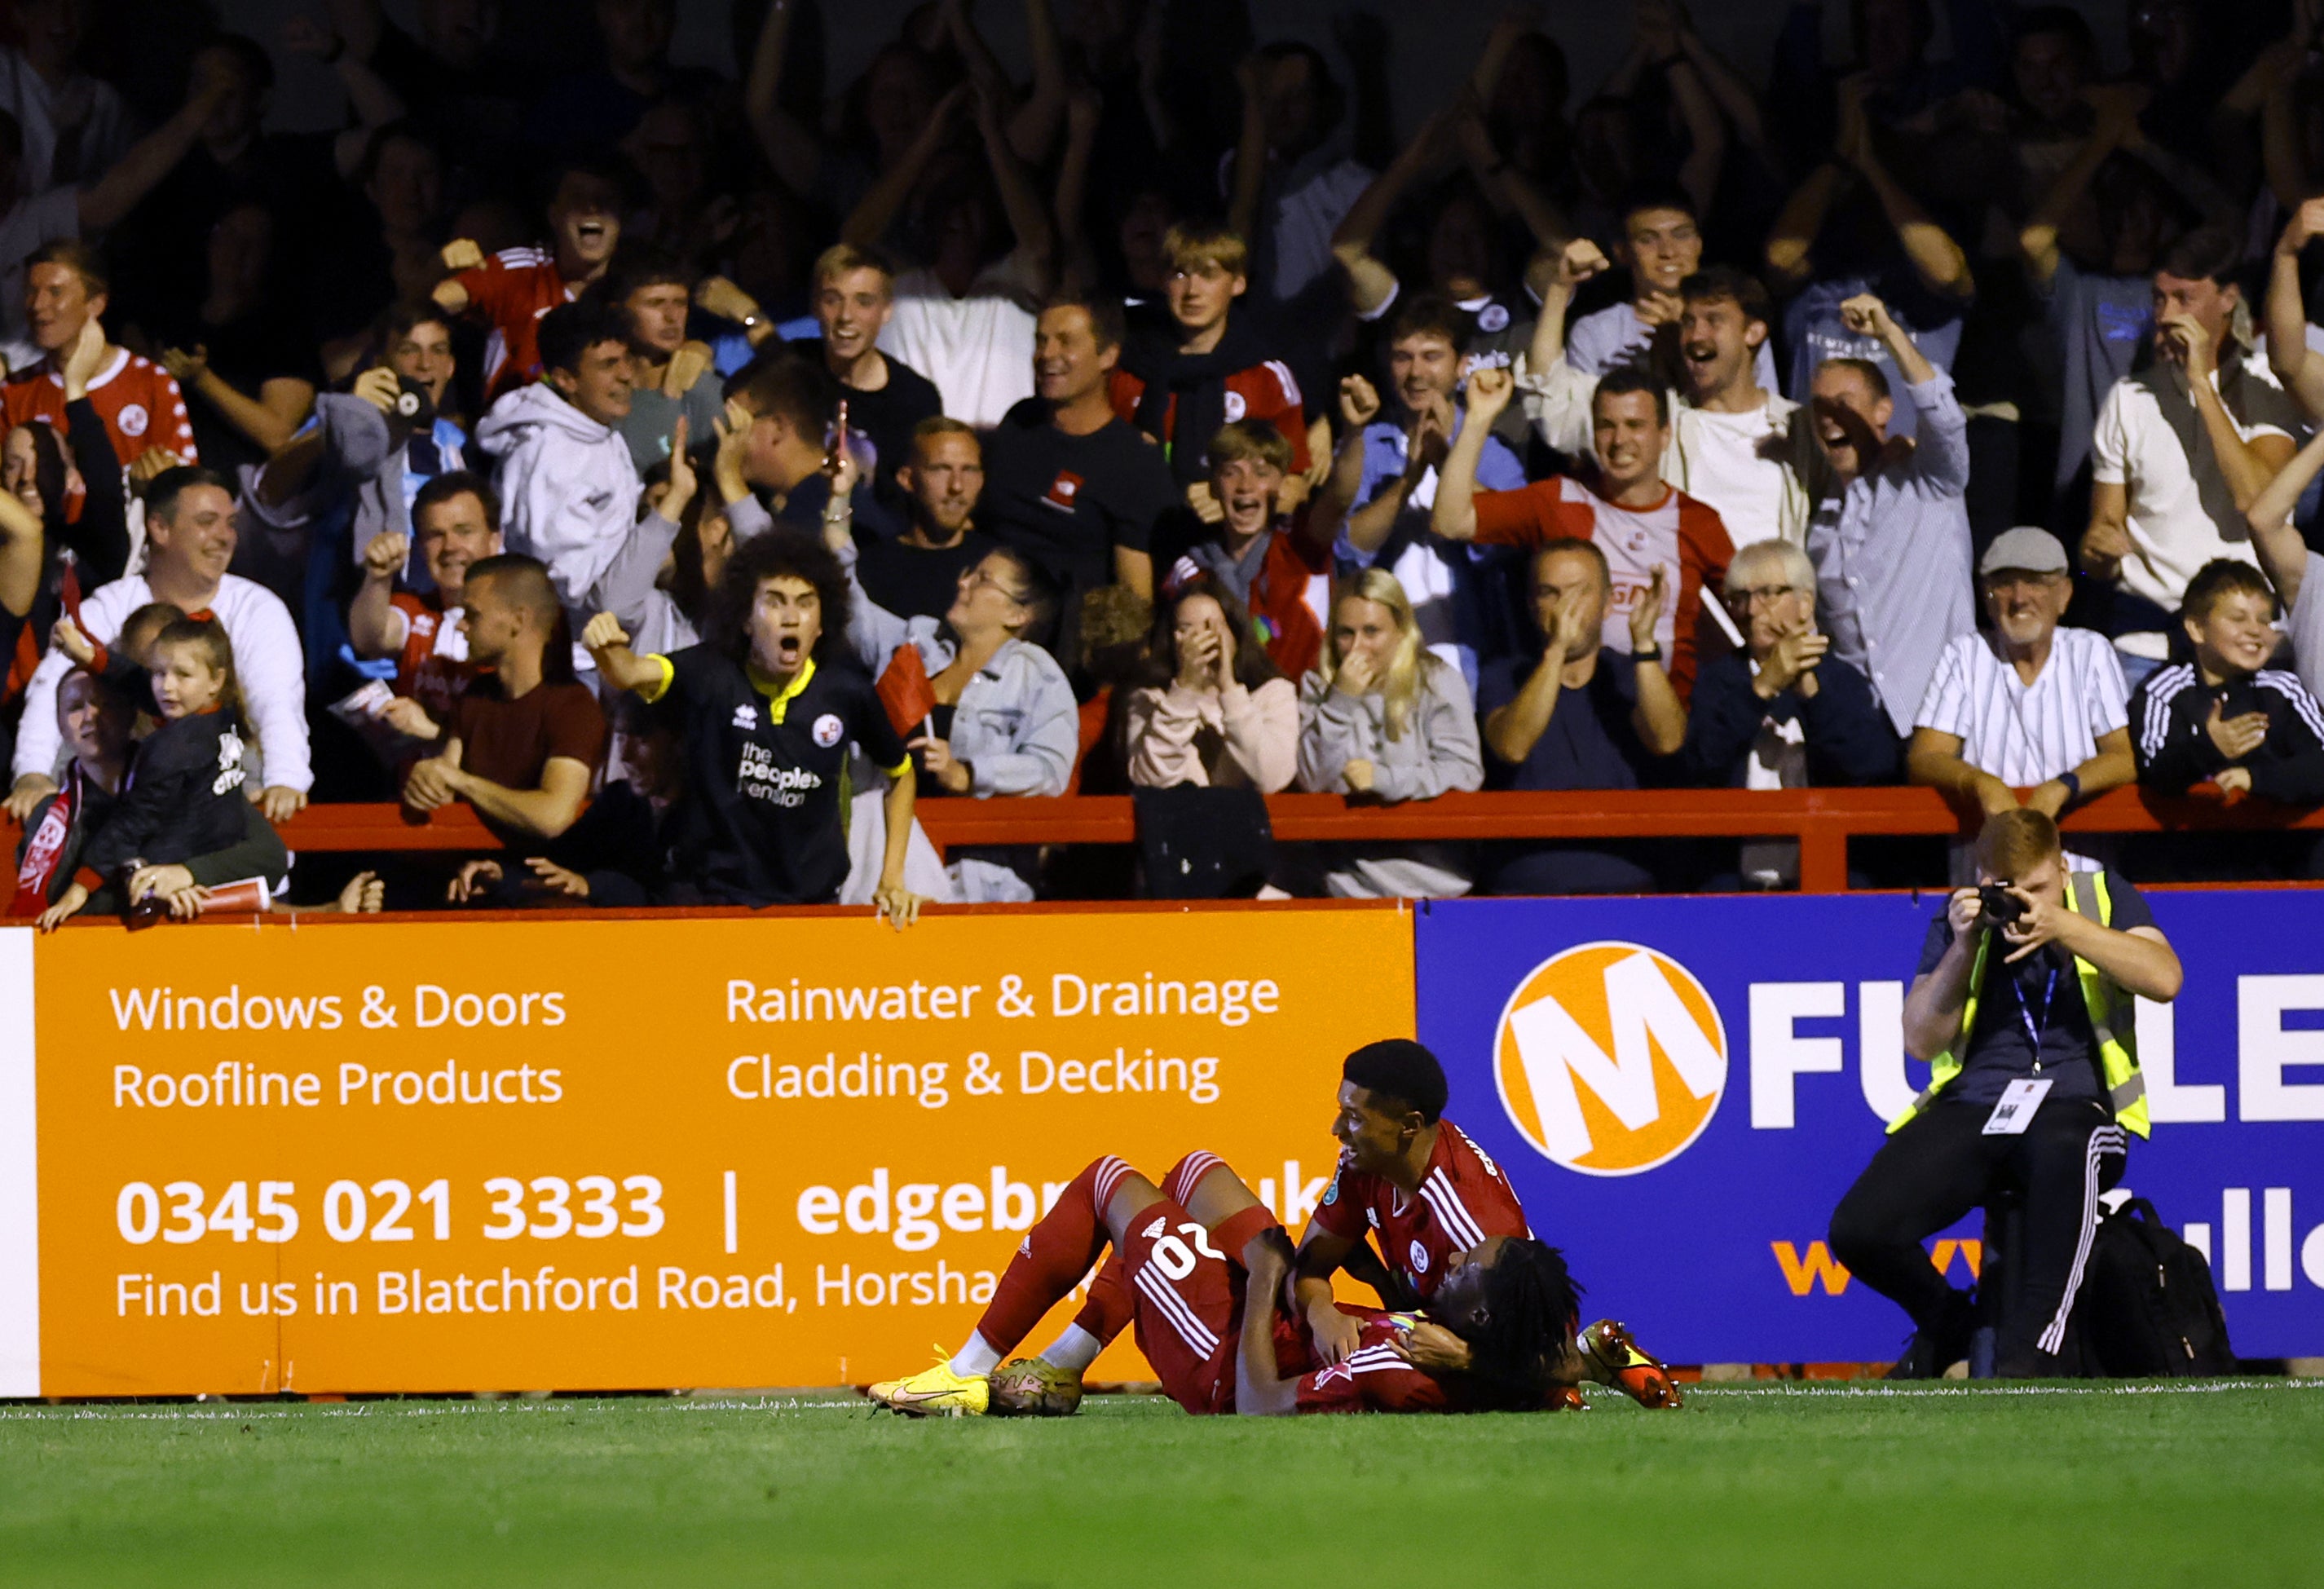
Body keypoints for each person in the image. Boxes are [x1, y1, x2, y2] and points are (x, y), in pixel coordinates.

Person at [1828, 807, 2183, 1378]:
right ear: (1980, 876)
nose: (2023, 904)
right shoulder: (1963, 918)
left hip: (2078, 1106)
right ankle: (1947, 1322)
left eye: (2038, 889)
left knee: (2061, 1148)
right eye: (2006, 890)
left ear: (2062, 869)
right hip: (1976, 1104)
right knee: (1858, 1226)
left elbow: (2164, 978)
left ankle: (2031, 1353)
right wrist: (1964, 944)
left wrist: (2062, 925)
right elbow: (1920, 1039)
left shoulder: (2099, 896)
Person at [867, 1145, 1590, 1418]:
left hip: (1220, 1356)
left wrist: (1265, 1283)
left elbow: (1256, 1403)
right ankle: (1061, 1369)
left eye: (1467, 1270)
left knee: (1108, 1181)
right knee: (1195, 1173)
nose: (1455, 1263)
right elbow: (1568, 1358)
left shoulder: (1401, 1365)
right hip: (1279, 1327)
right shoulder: (1488, 1356)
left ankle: (965, 1373)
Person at [582, 529, 924, 921]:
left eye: (805, 604)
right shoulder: (709, 673)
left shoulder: (846, 691)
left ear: (821, 623)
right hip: (711, 900)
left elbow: (901, 774)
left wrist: (892, 877)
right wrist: (605, 649)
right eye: (774, 602)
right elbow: (629, 672)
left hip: (811, 905)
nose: (791, 617)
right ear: (745, 618)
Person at [8, 466, 306, 822]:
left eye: (229, 523)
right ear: (160, 528)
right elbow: (52, 692)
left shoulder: (259, 608)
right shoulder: (109, 606)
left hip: (227, 810)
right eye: (207, 521)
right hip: (134, 813)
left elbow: (276, 704)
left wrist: (286, 782)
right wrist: (32, 774)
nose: (225, 536)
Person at [2081, 228, 2300, 687]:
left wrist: (2202, 382)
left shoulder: (2266, 388)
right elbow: (2100, 542)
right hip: (2145, 644)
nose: (2166, 315)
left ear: (2227, 298)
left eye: (2184, 298)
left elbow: (2257, 499)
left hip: (2246, 642)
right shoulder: (2130, 397)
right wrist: (2096, 549)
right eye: (2159, 299)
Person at [1437, 364, 1735, 701]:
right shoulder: (1559, 499)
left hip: (1665, 720)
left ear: (1665, 434)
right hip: (1573, 716)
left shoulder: (1698, 522)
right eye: (1607, 426)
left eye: (1635, 425)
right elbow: (1450, 521)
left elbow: (1752, 613)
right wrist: (1478, 418)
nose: (1620, 440)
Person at [833, 514, 1076, 905]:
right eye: (969, 574)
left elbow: (1050, 772)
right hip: (884, 863)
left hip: (974, 877)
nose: (962, 584)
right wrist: (838, 505)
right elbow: (847, 606)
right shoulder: (918, 639)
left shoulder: (1036, 674)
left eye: (982, 580)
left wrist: (968, 772)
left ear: (1017, 615)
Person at [1520, 253, 1819, 549]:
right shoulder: (1657, 421)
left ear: (1753, 332)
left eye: (1713, 320)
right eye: (1688, 322)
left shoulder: (1800, 428)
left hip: (1776, 593)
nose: (1695, 335)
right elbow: (1549, 394)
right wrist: (1560, 290)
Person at [1317, 292, 1525, 691]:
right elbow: (1349, 551)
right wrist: (1408, 481)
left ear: (1462, 365)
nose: (1416, 373)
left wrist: (1450, 464)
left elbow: (1504, 545)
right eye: (1402, 357)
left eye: (1431, 356)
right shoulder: (1371, 448)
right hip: (1380, 668)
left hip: (1471, 665)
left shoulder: (1492, 454)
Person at [1908, 527, 2135, 878]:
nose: (2019, 597)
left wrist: (2061, 788)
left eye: (2036, 582)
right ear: (1986, 597)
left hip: (2077, 873)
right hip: (1987, 876)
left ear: (2064, 594)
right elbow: (1924, 757)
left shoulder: (2090, 651)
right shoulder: (1965, 654)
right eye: (2004, 583)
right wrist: (1984, 784)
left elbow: (2124, 757)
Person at [1802, 292, 1976, 739]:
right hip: (1859, 732)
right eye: (1820, 407)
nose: (1829, 418)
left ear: (1884, 411)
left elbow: (1946, 420)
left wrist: (1890, 335)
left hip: (1940, 721)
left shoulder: (1928, 483)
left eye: (1844, 403)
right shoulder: (1820, 529)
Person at [1681, 541, 1899, 888]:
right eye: (1739, 598)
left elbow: (1871, 766)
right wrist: (1761, 690)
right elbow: (1699, 765)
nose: (1752, 610)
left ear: (1806, 603)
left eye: (1768, 593)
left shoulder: (1840, 679)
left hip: (1829, 882)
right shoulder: (1718, 680)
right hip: (1732, 886)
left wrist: (1811, 693)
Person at [1478, 539, 1686, 896]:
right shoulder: (1505, 675)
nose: (1566, 607)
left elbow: (1667, 740)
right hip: (1526, 887)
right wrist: (1557, 649)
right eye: (1551, 593)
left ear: (1607, 604)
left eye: (1579, 593)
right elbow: (1512, 746)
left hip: (1629, 881)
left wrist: (1645, 646)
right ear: (1532, 605)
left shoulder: (1628, 673)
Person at [397, 554, 604, 895]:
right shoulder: (475, 698)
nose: (461, 626)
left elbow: (554, 815)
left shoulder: (573, 706)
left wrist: (462, 782)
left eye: (472, 615)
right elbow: (444, 783)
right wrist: (426, 781)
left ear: (518, 621)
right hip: (478, 883)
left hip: (552, 898)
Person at [35, 616, 252, 929]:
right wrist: (86, 653)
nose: (167, 686)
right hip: (220, 873)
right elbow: (137, 681)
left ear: (216, 681)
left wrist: (79, 888)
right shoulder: (218, 711)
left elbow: (132, 824)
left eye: (182, 675)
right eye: (160, 673)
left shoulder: (170, 750)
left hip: (178, 890)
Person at [1295, 569, 1484, 900]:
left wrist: (1385, 779)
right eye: (1345, 633)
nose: (1358, 648)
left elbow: (1465, 772)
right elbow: (1313, 780)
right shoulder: (1319, 685)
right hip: (1348, 888)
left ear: (1401, 630)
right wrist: (1341, 701)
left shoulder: (1437, 681)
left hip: (1436, 886)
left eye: (1372, 631)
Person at [2128, 560, 2324, 877]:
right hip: (2186, 874)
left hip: (2281, 872)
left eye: (2265, 620)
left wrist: (2255, 779)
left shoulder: (2282, 689)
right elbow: (2156, 772)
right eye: (2237, 618)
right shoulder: (2165, 691)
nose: (2256, 631)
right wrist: (2209, 747)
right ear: (2196, 628)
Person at [979, 291, 1171, 604]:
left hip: (1066, 635)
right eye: (1041, 341)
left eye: (1065, 342)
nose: (1047, 354)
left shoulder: (1135, 463)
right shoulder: (1019, 421)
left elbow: (1134, 600)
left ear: (1108, 356)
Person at [473, 298, 640, 628]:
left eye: (626, 360)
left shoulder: (598, 431)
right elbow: (568, 579)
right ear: (565, 379)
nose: (626, 376)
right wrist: (653, 550)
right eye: (608, 365)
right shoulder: (546, 453)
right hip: (569, 652)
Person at [1109, 221, 1307, 492]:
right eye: (1180, 275)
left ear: (1238, 283)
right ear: (1163, 281)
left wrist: (1228, 500)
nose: (1192, 291)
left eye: (1209, 274)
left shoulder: (1265, 376)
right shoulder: (1128, 367)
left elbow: (1295, 483)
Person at [431, 157, 624, 403]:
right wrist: (439, 268)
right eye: (577, 198)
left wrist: (690, 349)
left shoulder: (633, 287)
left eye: (604, 201)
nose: (592, 209)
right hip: (516, 434)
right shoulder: (521, 273)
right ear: (554, 215)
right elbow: (438, 301)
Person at [1163, 420, 1333, 682]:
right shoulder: (1188, 573)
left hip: (1296, 714)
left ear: (1283, 484)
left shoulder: (1302, 549)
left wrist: (1353, 432)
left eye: (1262, 472)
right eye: (1231, 472)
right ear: (1213, 487)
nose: (1246, 485)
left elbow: (1341, 498)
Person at [2, 241, 197, 466]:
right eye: (30, 291)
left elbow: (184, 488)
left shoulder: (152, 383)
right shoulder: (15, 392)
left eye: (55, 292)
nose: (37, 304)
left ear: (96, 304)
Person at [1564, 192, 1779, 391]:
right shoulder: (1595, 332)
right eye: (1648, 239)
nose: (1668, 251)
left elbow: (1763, 412)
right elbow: (1578, 423)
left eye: (1681, 235)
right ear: (1622, 252)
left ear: (1699, 244)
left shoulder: (1740, 323)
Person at [789, 245, 943, 510]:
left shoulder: (916, 398)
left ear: (887, 310)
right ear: (815, 306)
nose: (846, 316)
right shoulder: (791, 368)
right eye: (833, 300)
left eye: (863, 302)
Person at [347, 470, 501, 726]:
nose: (450, 546)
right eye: (435, 535)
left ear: (495, 541)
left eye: (464, 531)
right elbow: (369, 639)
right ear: (420, 548)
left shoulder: (520, 624)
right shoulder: (414, 611)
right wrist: (378, 577)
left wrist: (432, 731)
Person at [1126, 576, 1297, 794]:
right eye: (1187, 629)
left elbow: (1272, 778)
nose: (1202, 639)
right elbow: (1151, 780)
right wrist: (1185, 690)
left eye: (1212, 626)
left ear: (1233, 633)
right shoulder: (1148, 700)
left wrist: (1228, 687)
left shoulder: (1273, 694)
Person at [852, 417, 997, 625]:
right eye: (941, 469)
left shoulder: (997, 566)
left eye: (968, 470)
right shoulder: (871, 569)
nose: (957, 486)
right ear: (907, 479)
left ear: (982, 479)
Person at [596, 245, 721, 476]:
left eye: (680, 303)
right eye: (655, 303)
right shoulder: (591, 388)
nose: (672, 317)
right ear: (618, 312)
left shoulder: (699, 391)